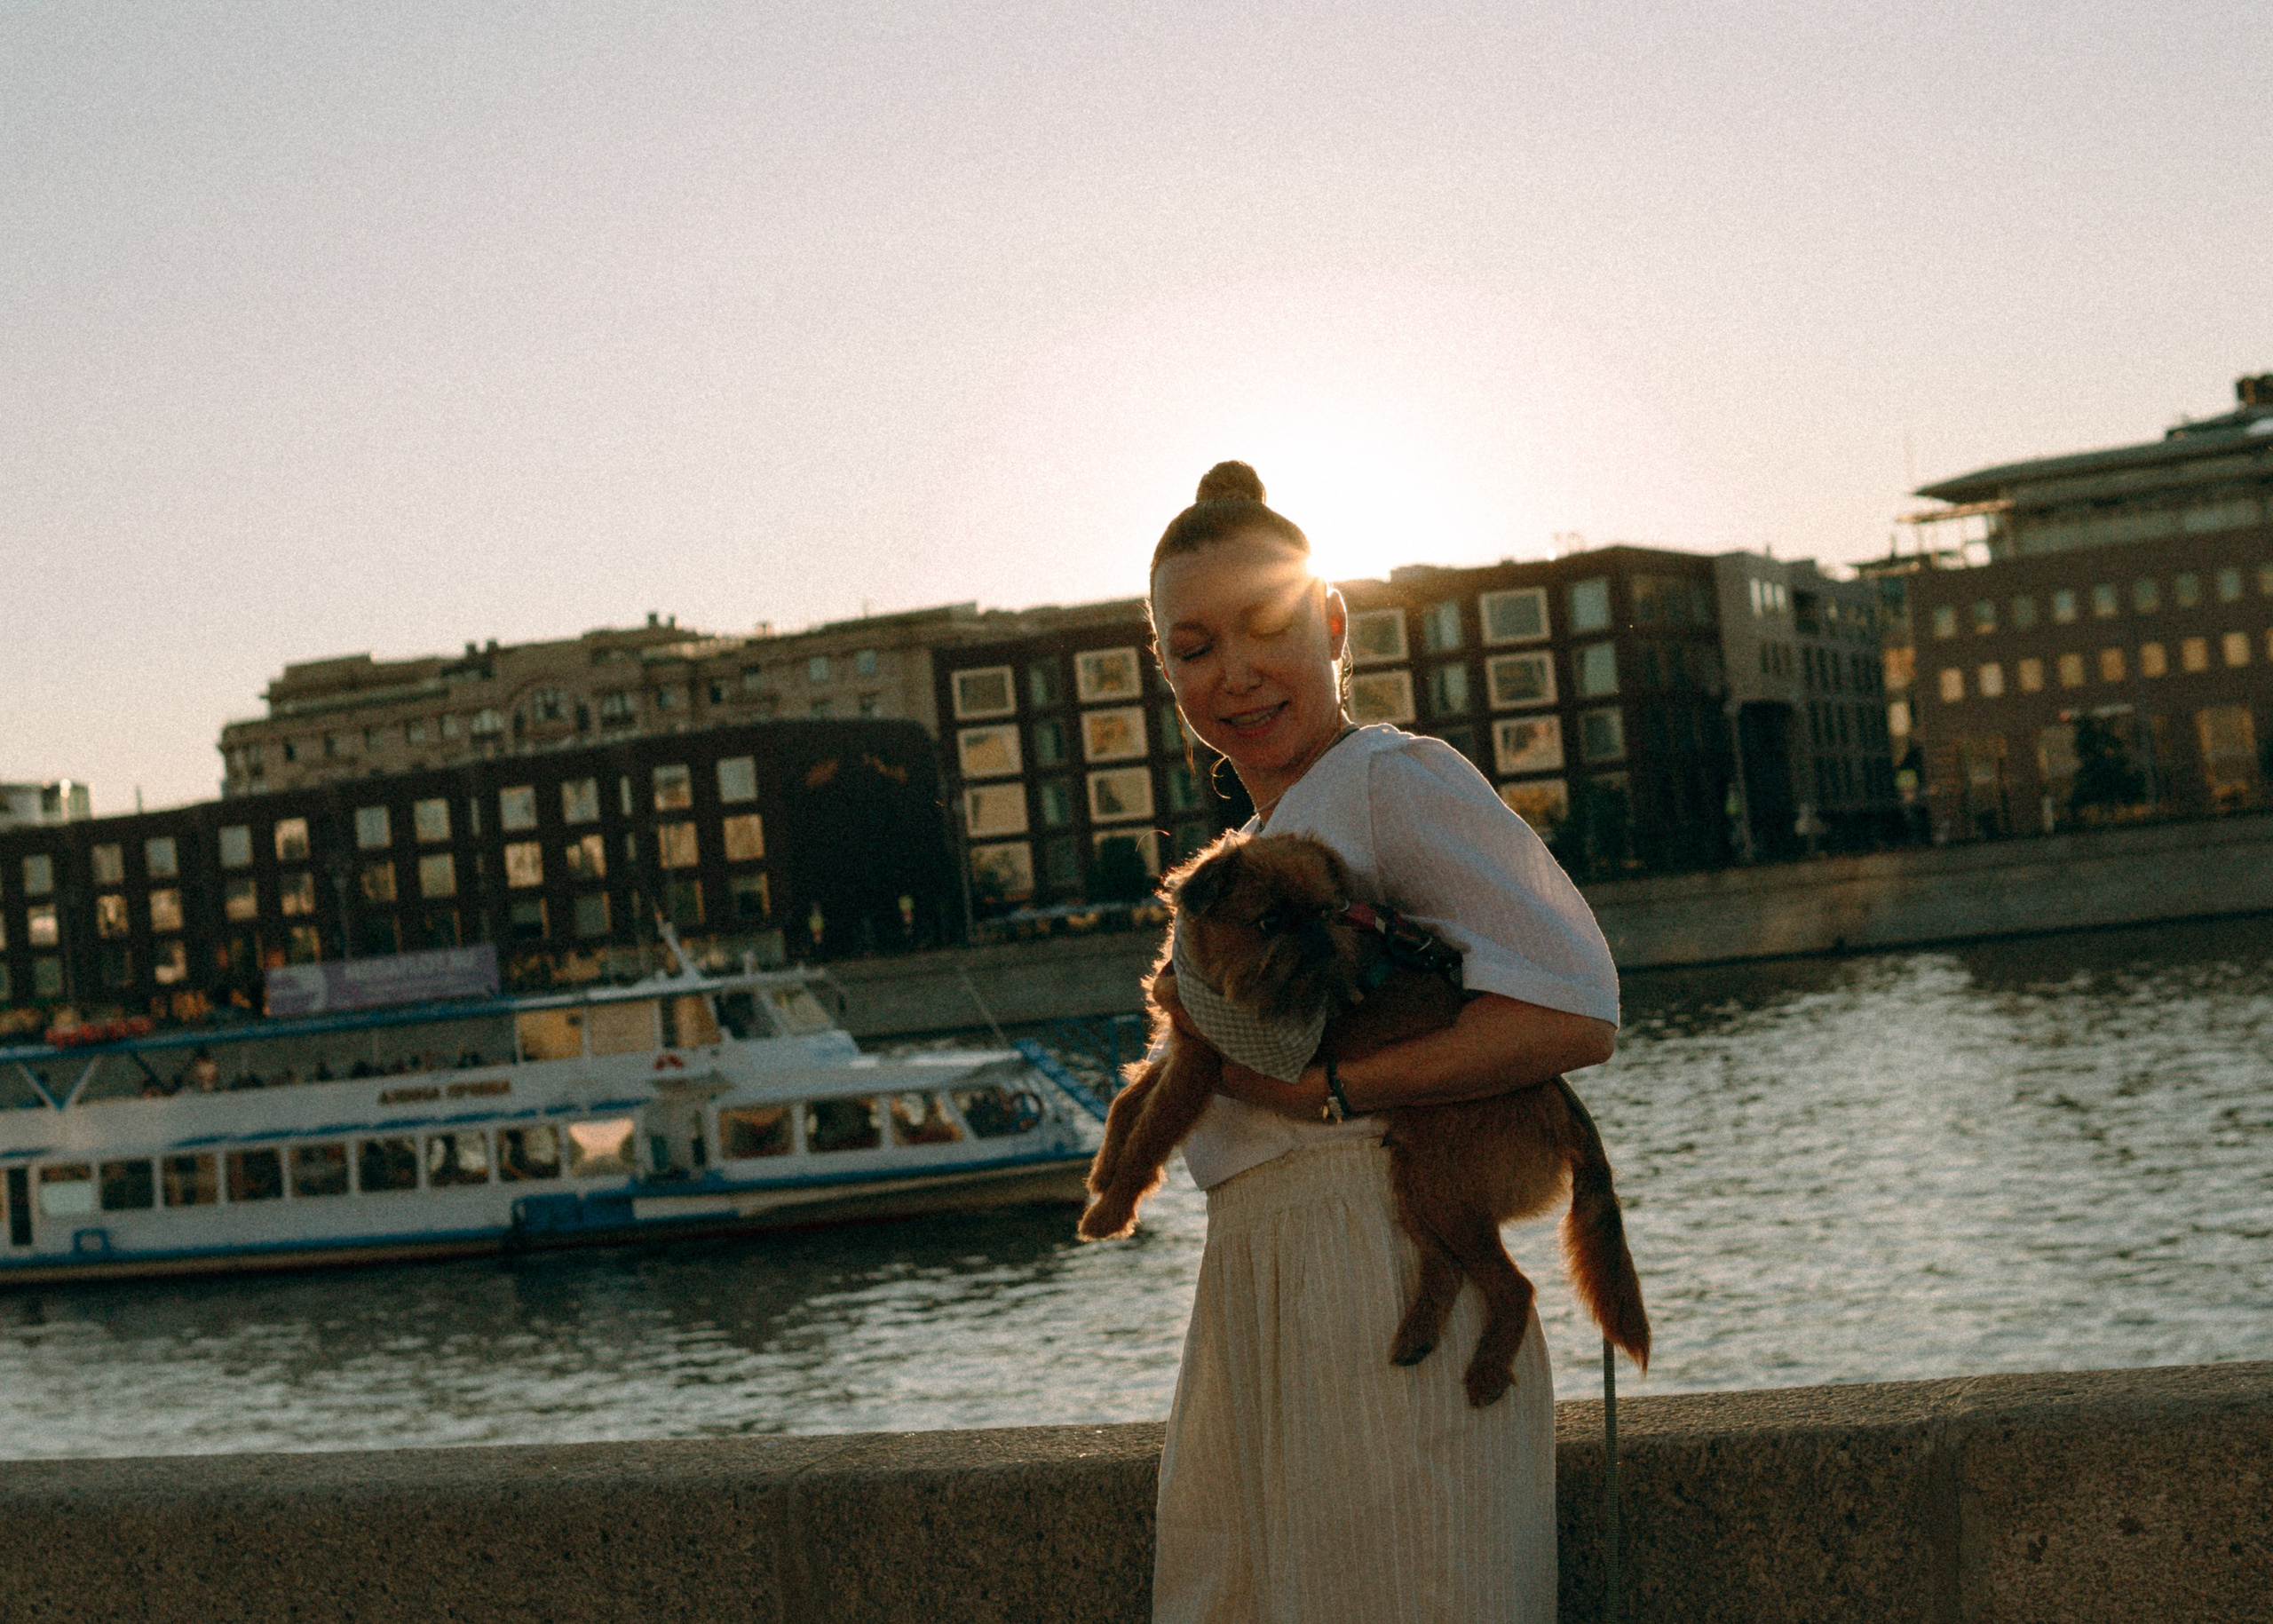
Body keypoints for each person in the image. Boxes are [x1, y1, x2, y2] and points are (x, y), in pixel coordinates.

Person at [1144, 462, 1621, 1623]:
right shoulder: (1263, 841)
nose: (1235, 672)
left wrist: (1337, 1087)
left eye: (1267, 626)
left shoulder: (1387, 778)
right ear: (1165, 669)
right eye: (1195, 647)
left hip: (1382, 1266)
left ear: (1333, 622)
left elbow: (1574, 1004)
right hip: (1264, 1288)